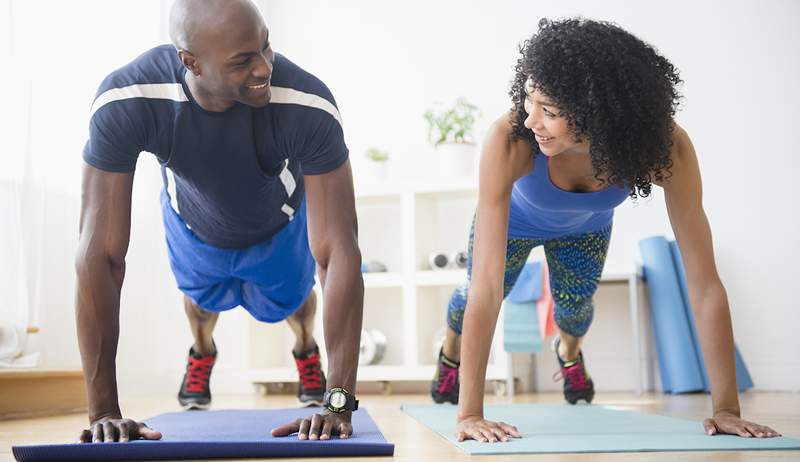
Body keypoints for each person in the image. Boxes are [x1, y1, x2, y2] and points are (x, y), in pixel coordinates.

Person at [430, 18, 781, 443]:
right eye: (529, 99)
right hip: (516, 226)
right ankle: (449, 356)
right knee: (471, 293)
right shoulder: (510, 139)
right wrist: (470, 414)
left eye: (551, 111)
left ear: (601, 114)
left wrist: (726, 409)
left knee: (575, 313)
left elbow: (704, 284)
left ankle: (569, 354)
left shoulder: (664, 148)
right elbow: (487, 284)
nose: (532, 119)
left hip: (586, 230)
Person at [75, 0, 363, 443]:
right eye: (242, 61)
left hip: (278, 224)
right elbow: (100, 256)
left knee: (294, 302)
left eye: (265, 47)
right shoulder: (130, 98)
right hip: (194, 223)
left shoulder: (305, 102)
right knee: (201, 302)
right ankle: (203, 352)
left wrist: (338, 401)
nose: (264, 67)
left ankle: (306, 349)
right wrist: (102, 412)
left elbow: (339, 253)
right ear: (189, 61)